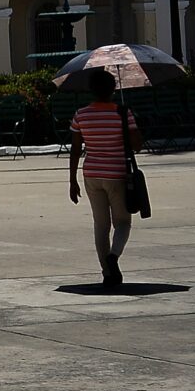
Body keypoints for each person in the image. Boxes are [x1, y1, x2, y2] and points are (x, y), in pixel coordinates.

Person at [68, 67, 144, 289]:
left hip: (91, 173)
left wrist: (72, 180)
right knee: (123, 222)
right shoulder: (122, 113)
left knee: (101, 225)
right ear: (113, 89)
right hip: (117, 173)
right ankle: (114, 255)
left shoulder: (81, 114)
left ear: (91, 90)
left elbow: (75, 149)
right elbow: (137, 145)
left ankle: (107, 273)